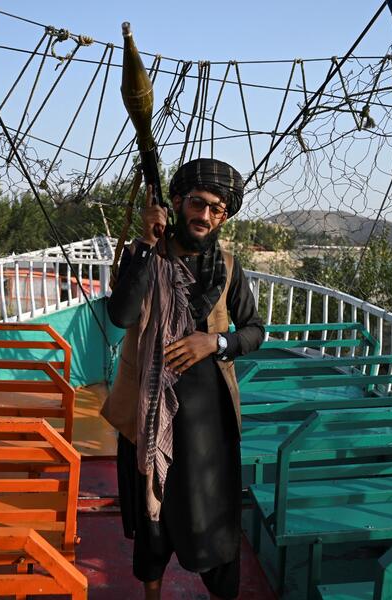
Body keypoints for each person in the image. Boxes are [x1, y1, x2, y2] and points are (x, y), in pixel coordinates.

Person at [101, 158, 265, 600]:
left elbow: (255, 330)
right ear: (176, 202)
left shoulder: (227, 266)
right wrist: (146, 244)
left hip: (208, 422)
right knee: (151, 518)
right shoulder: (145, 255)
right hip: (148, 411)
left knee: (212, 521)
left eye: (217, 209)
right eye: (198, 203)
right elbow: (121, 315)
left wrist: (214, 343)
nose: (206, 215)